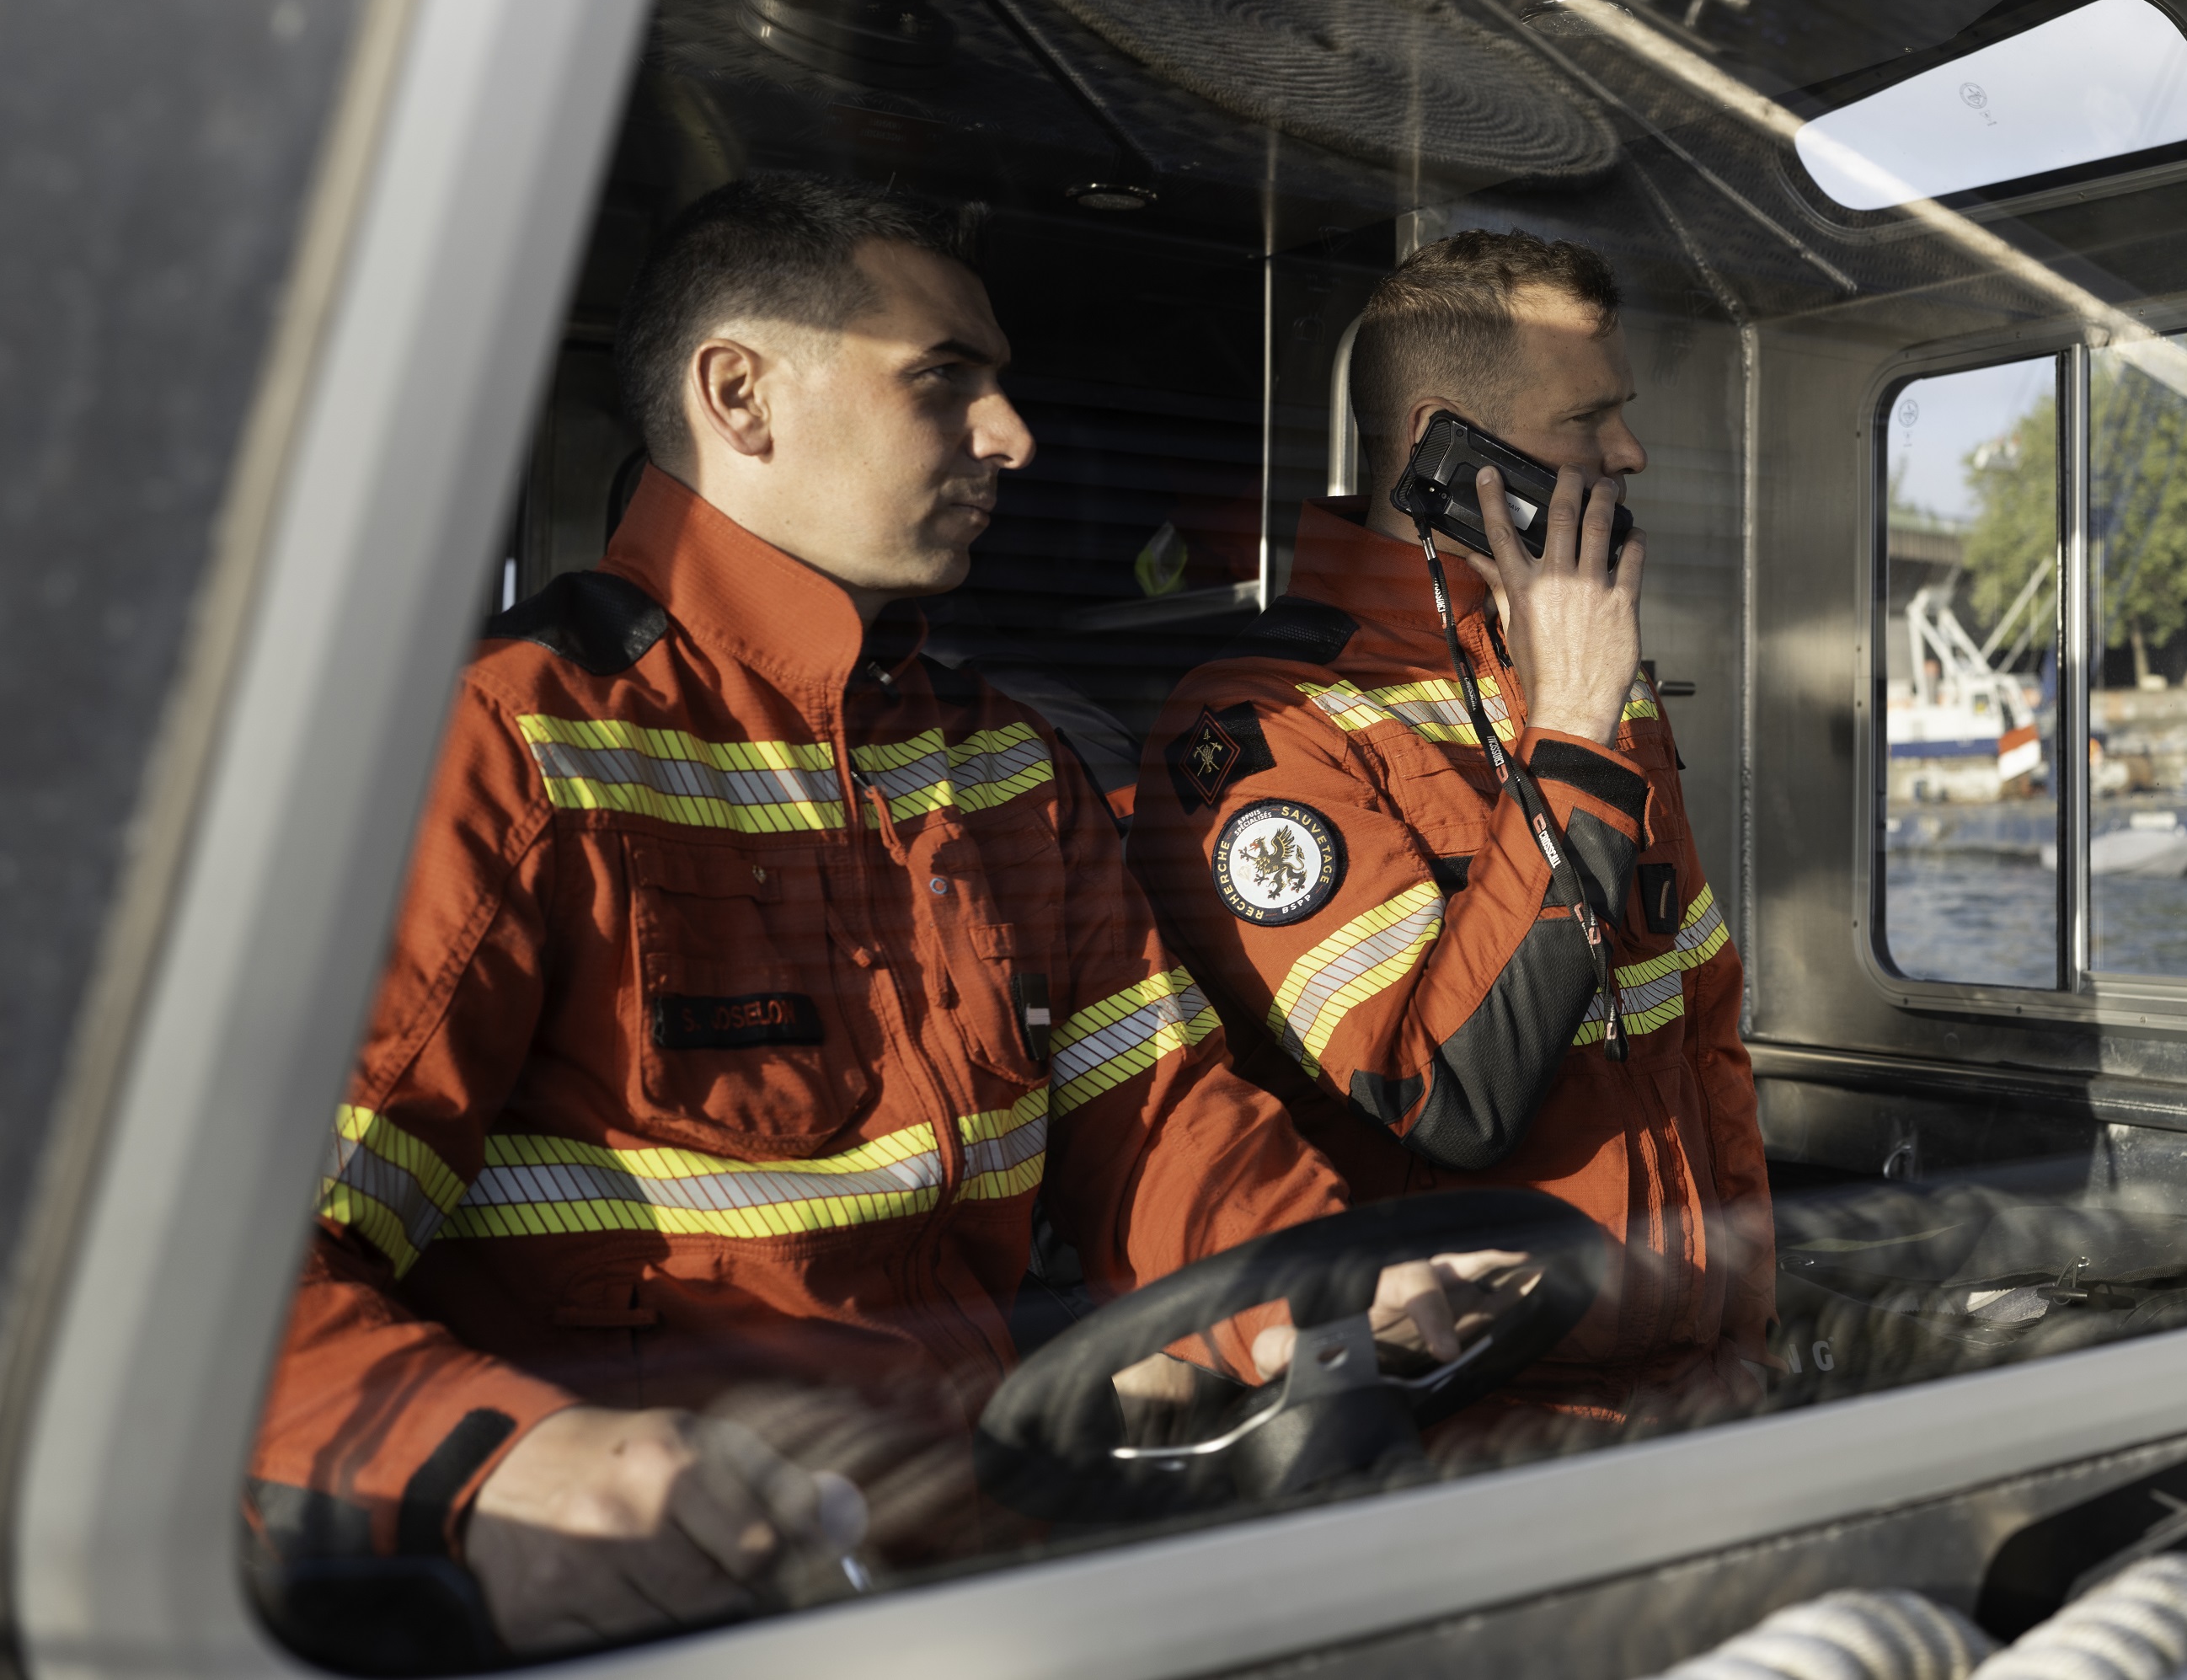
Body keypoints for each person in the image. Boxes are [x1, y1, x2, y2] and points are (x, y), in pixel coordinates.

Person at [248, 179, 1482, 1655]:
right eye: (945, 379)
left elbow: (1159, 1125)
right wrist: (498, 1464)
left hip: (991, 1576)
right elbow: (241, 1285)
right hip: (679, 1609)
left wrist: (1332, 1288)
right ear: (741, 396)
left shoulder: (1007, 766)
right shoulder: (510, 751)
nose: (1014, 433)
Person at [1132, 231, 1770, 1436]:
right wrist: (1573, 729)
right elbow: (1445, 1094)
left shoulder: (1587, 678)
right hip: (1458, 1414)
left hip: (1682, 1397)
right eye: (1588, 418)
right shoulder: (1263, 723)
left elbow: (1706, 1025)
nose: (1627, 451)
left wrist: (1744, 1329)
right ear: (1442, 443)